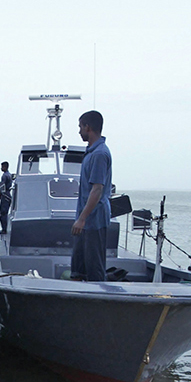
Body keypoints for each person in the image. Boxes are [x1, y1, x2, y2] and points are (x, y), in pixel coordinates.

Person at [70, 110, 113, 282]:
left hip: (94, 220)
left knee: (94, 265)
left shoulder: (99, 154)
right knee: (78, 265)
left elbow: (97, 190)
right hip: (85, 220)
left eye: (80, 127)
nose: (79, 131)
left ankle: (99, 301)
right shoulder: (90, 153)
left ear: (88, 127)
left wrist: (82, 219)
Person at [0, 161, 14, 235]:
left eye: (2, 167)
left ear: (5, 167)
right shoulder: (9, 175)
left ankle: (4, 229)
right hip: (8, 195)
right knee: (4, 213)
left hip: (5, 196)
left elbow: (2, 187)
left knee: (2, 213)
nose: (1, 168)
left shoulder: (4, 176)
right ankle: (4, 228)